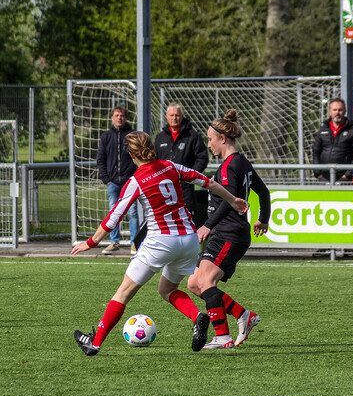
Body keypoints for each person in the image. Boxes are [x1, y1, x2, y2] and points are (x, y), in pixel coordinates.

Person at [72, 131, 247, 356]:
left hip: (161, 241)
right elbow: (207, 182)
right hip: (189, 240)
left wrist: (91, 242)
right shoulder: (171, 166)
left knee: (123, 292)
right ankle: (197, 317)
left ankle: (94, 343)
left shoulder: (136, 181)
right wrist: (233, 200)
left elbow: (114, 216)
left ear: (132, 155)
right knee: (166, 289)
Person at [187, 110, 271, 349]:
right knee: (194, 283)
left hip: (228, 233)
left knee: (205, 282)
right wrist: (263, 218)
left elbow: (230, 200)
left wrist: (207, 225)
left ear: (222, 139)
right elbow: (263, 193)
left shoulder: (229, 168)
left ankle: (222, 336)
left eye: (210, 139)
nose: (209, 144)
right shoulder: (241, 162)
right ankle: (244, 315)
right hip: (224, 233)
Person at [154, 103, 209, 226]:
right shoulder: (160, 137)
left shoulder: (193, 136)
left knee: (187, 218)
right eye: (172, 115)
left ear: (182, 116)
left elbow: (202, 157)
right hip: (165, 187)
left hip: (185, 188)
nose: (175, 118)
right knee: (167, 218)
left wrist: (190, 175)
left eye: (177, 115)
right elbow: (154, 160)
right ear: (166, 117)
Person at [95, 106, 138, 254]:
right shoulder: (106, 136)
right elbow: (101, 158)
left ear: (125, 118)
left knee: (132, 213)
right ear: (112, 118)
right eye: (116, 115)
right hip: (113, 181)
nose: (119, 118)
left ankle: (134, 243)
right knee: (114, 212)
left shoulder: (132, 135)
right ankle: (114, 242)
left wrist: (135, 176)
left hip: (129, 181)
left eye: (122, 115)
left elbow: (138, 156)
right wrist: (106, 178)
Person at [312, 97, 353, 182]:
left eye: (340, 110)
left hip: (345, 179)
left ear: (345, 111)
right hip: (324, 178)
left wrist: (347, 175)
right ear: (330, 112)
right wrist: (318, 174)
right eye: (334, 110)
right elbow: (316, 152)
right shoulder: (322, 129)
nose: (337, 112)